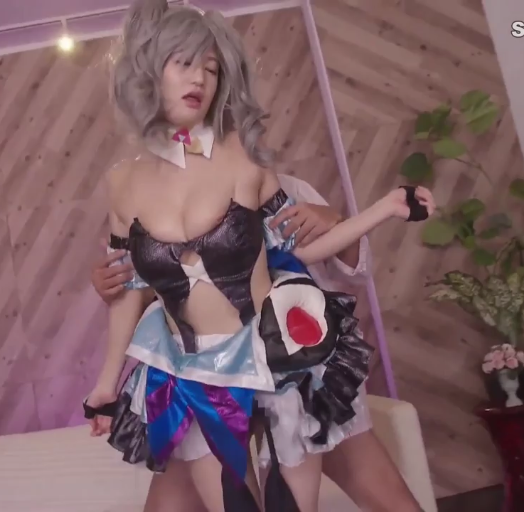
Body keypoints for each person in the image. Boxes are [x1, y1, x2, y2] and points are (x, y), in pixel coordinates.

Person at [83, 1, 435, 511]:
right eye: (184, 63)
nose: (199, 79)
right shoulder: (123, 182)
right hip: (193, 370)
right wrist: (105, 385)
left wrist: (383, 208)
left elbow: (315, 251)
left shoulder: (247, 162)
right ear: (148, 70)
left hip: (280, 360)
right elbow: (129, 289)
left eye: (211, 68)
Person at [91, 176, 423, 512]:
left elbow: (348, 268)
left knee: (389, 501)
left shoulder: (271, 182)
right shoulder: (144, 193)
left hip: (296, 367)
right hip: (204, 374)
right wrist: (114, 292)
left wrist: (342, 218)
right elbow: (142, 291)